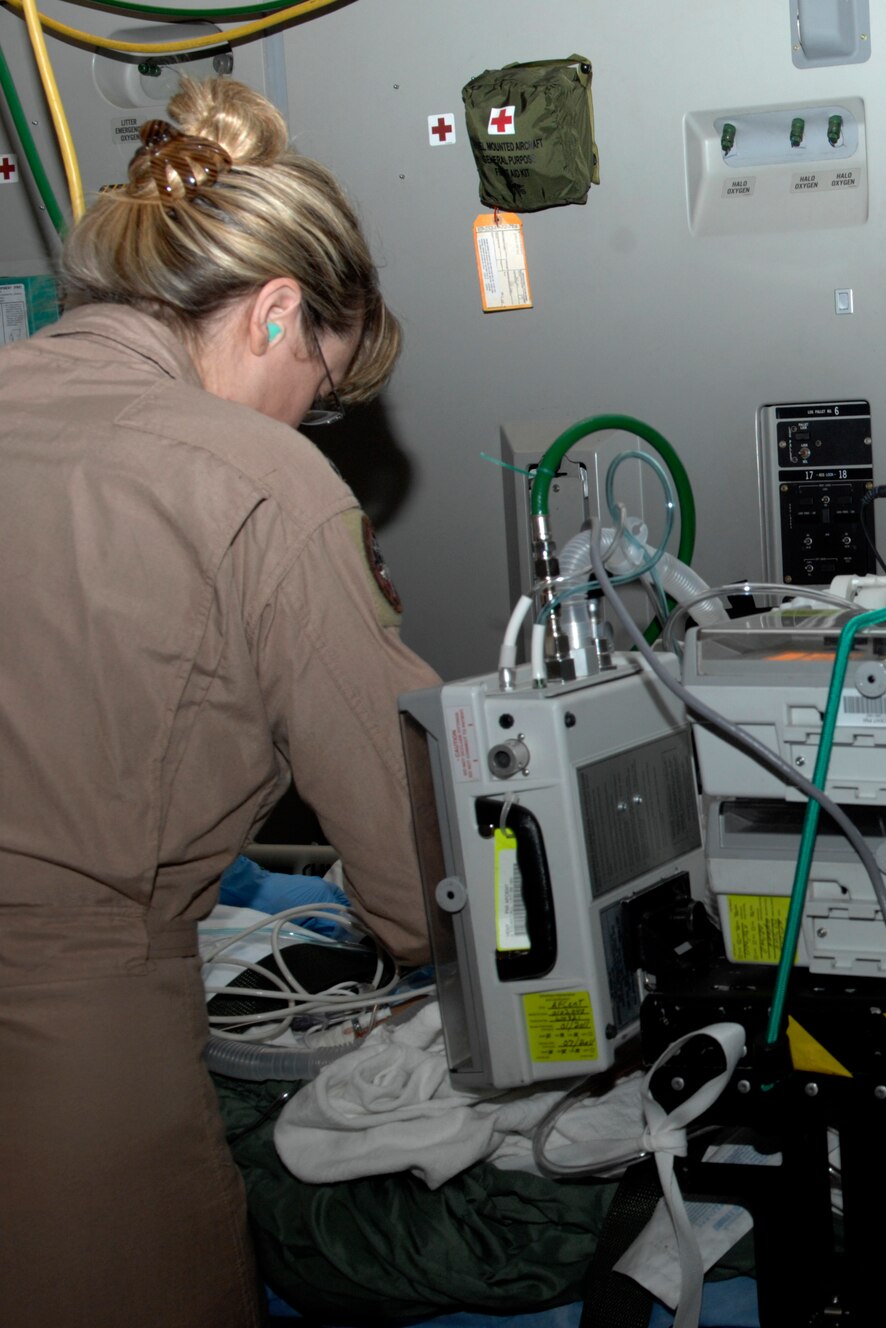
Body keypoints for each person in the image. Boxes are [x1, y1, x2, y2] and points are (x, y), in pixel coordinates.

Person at [0, 80, 438, 1326]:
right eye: (327, 384)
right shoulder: (261, 479)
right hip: (66, 1069)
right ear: (278, 313)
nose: (318, 416)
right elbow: (416, 876)